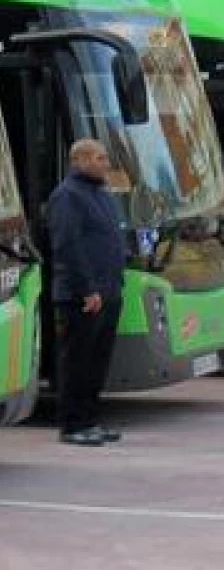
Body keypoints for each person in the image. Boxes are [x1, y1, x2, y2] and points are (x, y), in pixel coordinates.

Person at [48, 139, 127, 446]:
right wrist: (87, 289)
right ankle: (72, 424)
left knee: (98, 361)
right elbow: (67, 245)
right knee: (77, 361)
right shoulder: (67, 196)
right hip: (83, 296)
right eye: (99, 158)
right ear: (78, 160)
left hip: (108, 291)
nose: (106, 163)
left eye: (105, 157)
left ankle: (91, 418)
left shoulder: (102, 195)